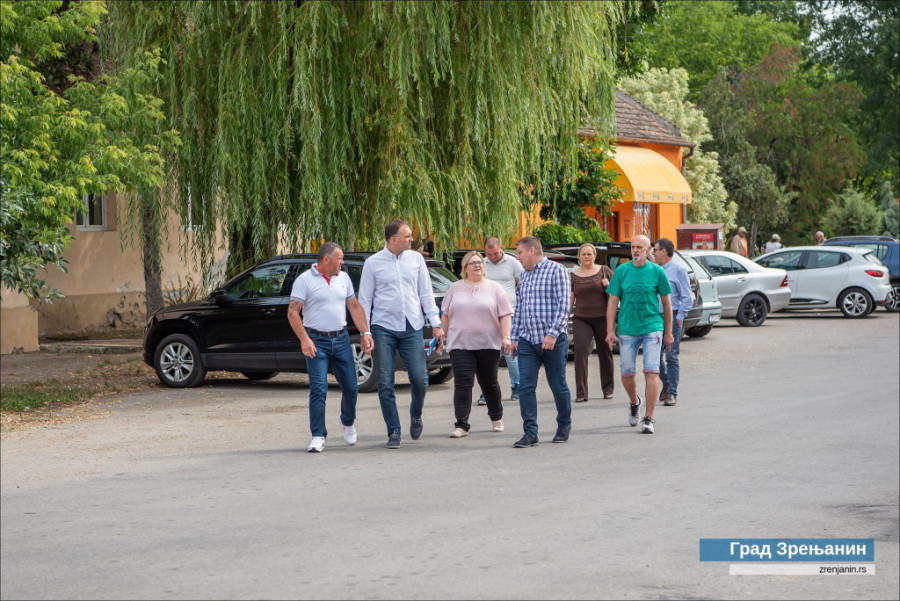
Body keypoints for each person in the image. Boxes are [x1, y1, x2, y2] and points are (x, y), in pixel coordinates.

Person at [358, 220, 445, 449]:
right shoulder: (373, 263)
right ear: (393, 239)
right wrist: (365, 331)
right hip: (383, 327)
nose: (412, 239)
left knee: (420, 378)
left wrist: (436, 324)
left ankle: (416, 414)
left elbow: (426, 294)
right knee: (385, 382)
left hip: (412, 326)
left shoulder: (416, 260)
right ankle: (394, 430)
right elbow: (364, 300)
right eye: (407, 236)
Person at [287, 242, 374, 453]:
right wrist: (305, 340)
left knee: (352, 387)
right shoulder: (304, 280)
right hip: (316, 341)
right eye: (340, 258)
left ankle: (347, 421)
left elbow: (353, 306)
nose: (342, 262)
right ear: (327, 259)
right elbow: (292, 313)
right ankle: (318, 435)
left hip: (341, 339)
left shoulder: (343, 278)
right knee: (318, 389)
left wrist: (365, 333)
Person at [605, 235, 674, 434]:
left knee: (651, 371)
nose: (635, 250)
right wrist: (610, 330)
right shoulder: (622, 271)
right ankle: (635, 402)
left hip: (653, 326)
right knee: (627, 373)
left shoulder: (657, 271)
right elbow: (612, 302)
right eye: (633, 247)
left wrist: (668, 332)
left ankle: (649, 418)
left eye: (639, 247)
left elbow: (667, 304)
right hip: (627, 327)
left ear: (648, 249)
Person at [440, 251, 513, 438]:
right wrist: (441, 335)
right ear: (465, 268)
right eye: (472, 263)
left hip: (488, 343)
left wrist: (505, 337)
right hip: (460, 344)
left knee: (489, 383)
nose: (477, 265)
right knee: (463, 384)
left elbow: (505, 314)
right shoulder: (454, 288)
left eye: (480, 262)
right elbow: (446, 315)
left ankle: (497, 417)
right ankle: (461, 425)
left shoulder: (495, 288)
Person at [509, 236, 572, 447]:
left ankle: (564, 425)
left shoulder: (557, 271)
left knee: (557, 385)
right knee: (526, 386)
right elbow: (519, 308)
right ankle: (530, 432)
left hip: (553, 340)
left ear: (532, 251)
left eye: (519, 253)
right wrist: (515, 337)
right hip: (528, 339)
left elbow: (564, 306)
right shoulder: (524, 276)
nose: (517, 258)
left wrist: (552, 334)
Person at [569, 243, 615, 403]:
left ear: (594, 255)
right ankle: (581, 393)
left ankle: (608, 389)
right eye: (584, 254)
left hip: (603, 318)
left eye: (589, 254)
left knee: (605, 352)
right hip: (582, 318)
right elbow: (571, 299)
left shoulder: (604, 271)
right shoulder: (573, 275)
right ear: (579, 256)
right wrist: (564, 318)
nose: (587, 257)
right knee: (580, 351)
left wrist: (608, 286)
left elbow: (618, 293)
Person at [481, 236, 524, 403]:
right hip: (487, 314)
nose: (492, 257)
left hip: (509, 314)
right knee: (487, 354)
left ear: (502, 248)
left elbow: (522, 284)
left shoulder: (512, 262)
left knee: (509, 352)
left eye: (495, 253)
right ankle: (487, 390)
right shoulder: (482, 263)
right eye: (489, 254)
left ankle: (517, 386)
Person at [652, 238, 692, 408]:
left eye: (655, 250)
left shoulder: (678, 270)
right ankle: (667, 381)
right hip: (654, 318)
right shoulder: (654, 270)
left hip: (672, 318)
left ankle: (671, 393)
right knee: (654, 356)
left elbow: (687, 297)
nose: (652, 253)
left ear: (664, 251)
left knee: (671, 356)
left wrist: (679, 317)